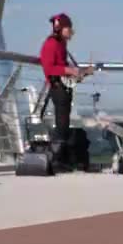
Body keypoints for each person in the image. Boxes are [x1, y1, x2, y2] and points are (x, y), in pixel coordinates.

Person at [39, 13, 87, 172]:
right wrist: (67, 69)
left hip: (64, 86)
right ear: (61, 29)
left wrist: (77, 73)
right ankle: (57, 160)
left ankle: (63, 159)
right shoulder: (51, 44)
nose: (71, 31)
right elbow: (48, 68)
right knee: (61, 124)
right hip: (57, 87)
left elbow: (60, 65)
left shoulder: (61, 44)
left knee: (64, 123)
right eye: (68, 28)